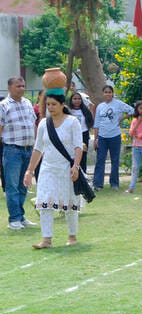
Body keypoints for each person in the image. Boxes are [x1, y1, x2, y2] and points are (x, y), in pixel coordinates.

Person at [22, 91, 84, 248]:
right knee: (44, 202)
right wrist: (29, 171)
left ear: (62, 105)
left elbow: (78, 146)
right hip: (48, 168)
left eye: (54, 104)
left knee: (70, 203)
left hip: (67, 168)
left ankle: (72, 236)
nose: (50, 107)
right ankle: (46, 239)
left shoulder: (72, 122)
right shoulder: (43, 123)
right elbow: (38, 149)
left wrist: (76, 166)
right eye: (48, 104)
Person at [1, 77, 38, 230]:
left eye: (23, 86)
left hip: (28, 150)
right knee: (12, 186)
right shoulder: (3, 106)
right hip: (12, 150)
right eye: (18, 86)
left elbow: (33, 124)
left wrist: (37, 144)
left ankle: (21, 216)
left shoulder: (28, 103)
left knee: (24, 185)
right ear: (9, 88)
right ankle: (14, 219)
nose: (22, 89)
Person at [91, 85, 134, 190]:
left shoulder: (118, 104)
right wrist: (96, 139)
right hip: (102, 137)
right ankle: (98, 184)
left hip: (115, 136)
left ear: (113, 93)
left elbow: (132, 111)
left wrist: (122, 119)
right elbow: (96, 124)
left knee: (115, 160)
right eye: (105, 92)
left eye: (109, 92)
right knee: (100, 160)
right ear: (103, 94)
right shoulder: (100, 106)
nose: (107, 94)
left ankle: (114, 183)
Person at [67, 92, 93, 173]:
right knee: (72, 155)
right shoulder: (68, 111)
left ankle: (83, 175)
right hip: (72, 135)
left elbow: (90, 122)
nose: (77, 101)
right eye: (75, 99)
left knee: (83, 156)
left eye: (79, 99)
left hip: (84, 134)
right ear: (71, 100)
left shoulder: (85, 111)